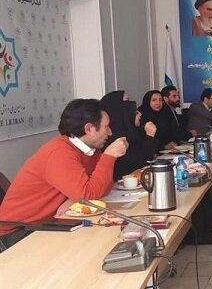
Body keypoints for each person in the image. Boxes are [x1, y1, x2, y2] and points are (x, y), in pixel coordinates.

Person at [0, 99, 128, 251]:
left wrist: (73, 199)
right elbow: (89, 194)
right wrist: (109, 156)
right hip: (18, 231)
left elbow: (102, 187)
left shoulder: (90, 149)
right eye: (106, 127)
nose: (110, 132)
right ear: (89, 129)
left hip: (51, 222)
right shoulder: (60, 152)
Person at [100, 90, 160, 181]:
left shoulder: (132, 131)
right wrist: (150, 136)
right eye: (127, 101)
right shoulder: (115, 137)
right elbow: (141, 162)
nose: (139, 114)